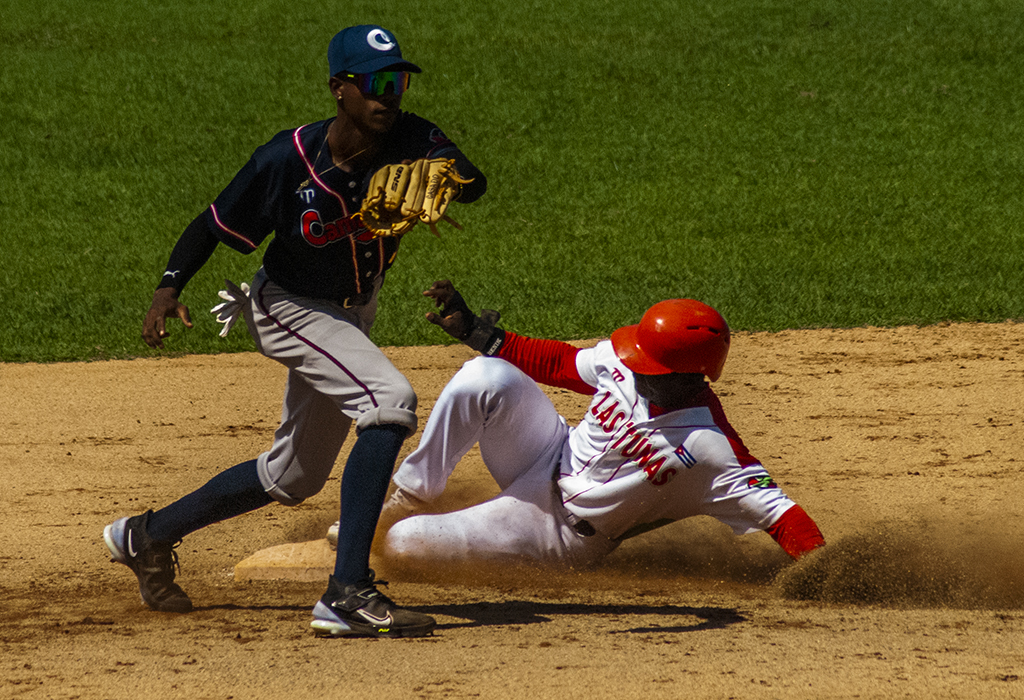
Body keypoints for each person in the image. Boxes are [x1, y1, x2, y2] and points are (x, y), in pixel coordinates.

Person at [102, 25, 487, 639]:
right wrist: (167, 289)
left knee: (293, 476)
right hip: (288, 307)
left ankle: (146, 535)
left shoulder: (413, 135)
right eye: (375, 82)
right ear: (340, 89)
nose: (389, 95)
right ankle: (347, 592)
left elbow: (472, 183)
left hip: (354, 310)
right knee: (389, 403)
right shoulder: (285, 160)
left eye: (398, 81)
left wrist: (449, 173)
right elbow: (211, 224)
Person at [362, 281, 824, 572]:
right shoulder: (628, 358)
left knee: (404, 545)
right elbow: (560, 363)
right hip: (547, 450)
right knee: (484, 375)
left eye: (647, 364)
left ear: (688, 376)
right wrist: (480, 335)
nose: (632, 364)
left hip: (558, 532)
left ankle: (414, 527)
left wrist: (829, 571)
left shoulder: (712, 448)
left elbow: (783, 516)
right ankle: (409, 497)